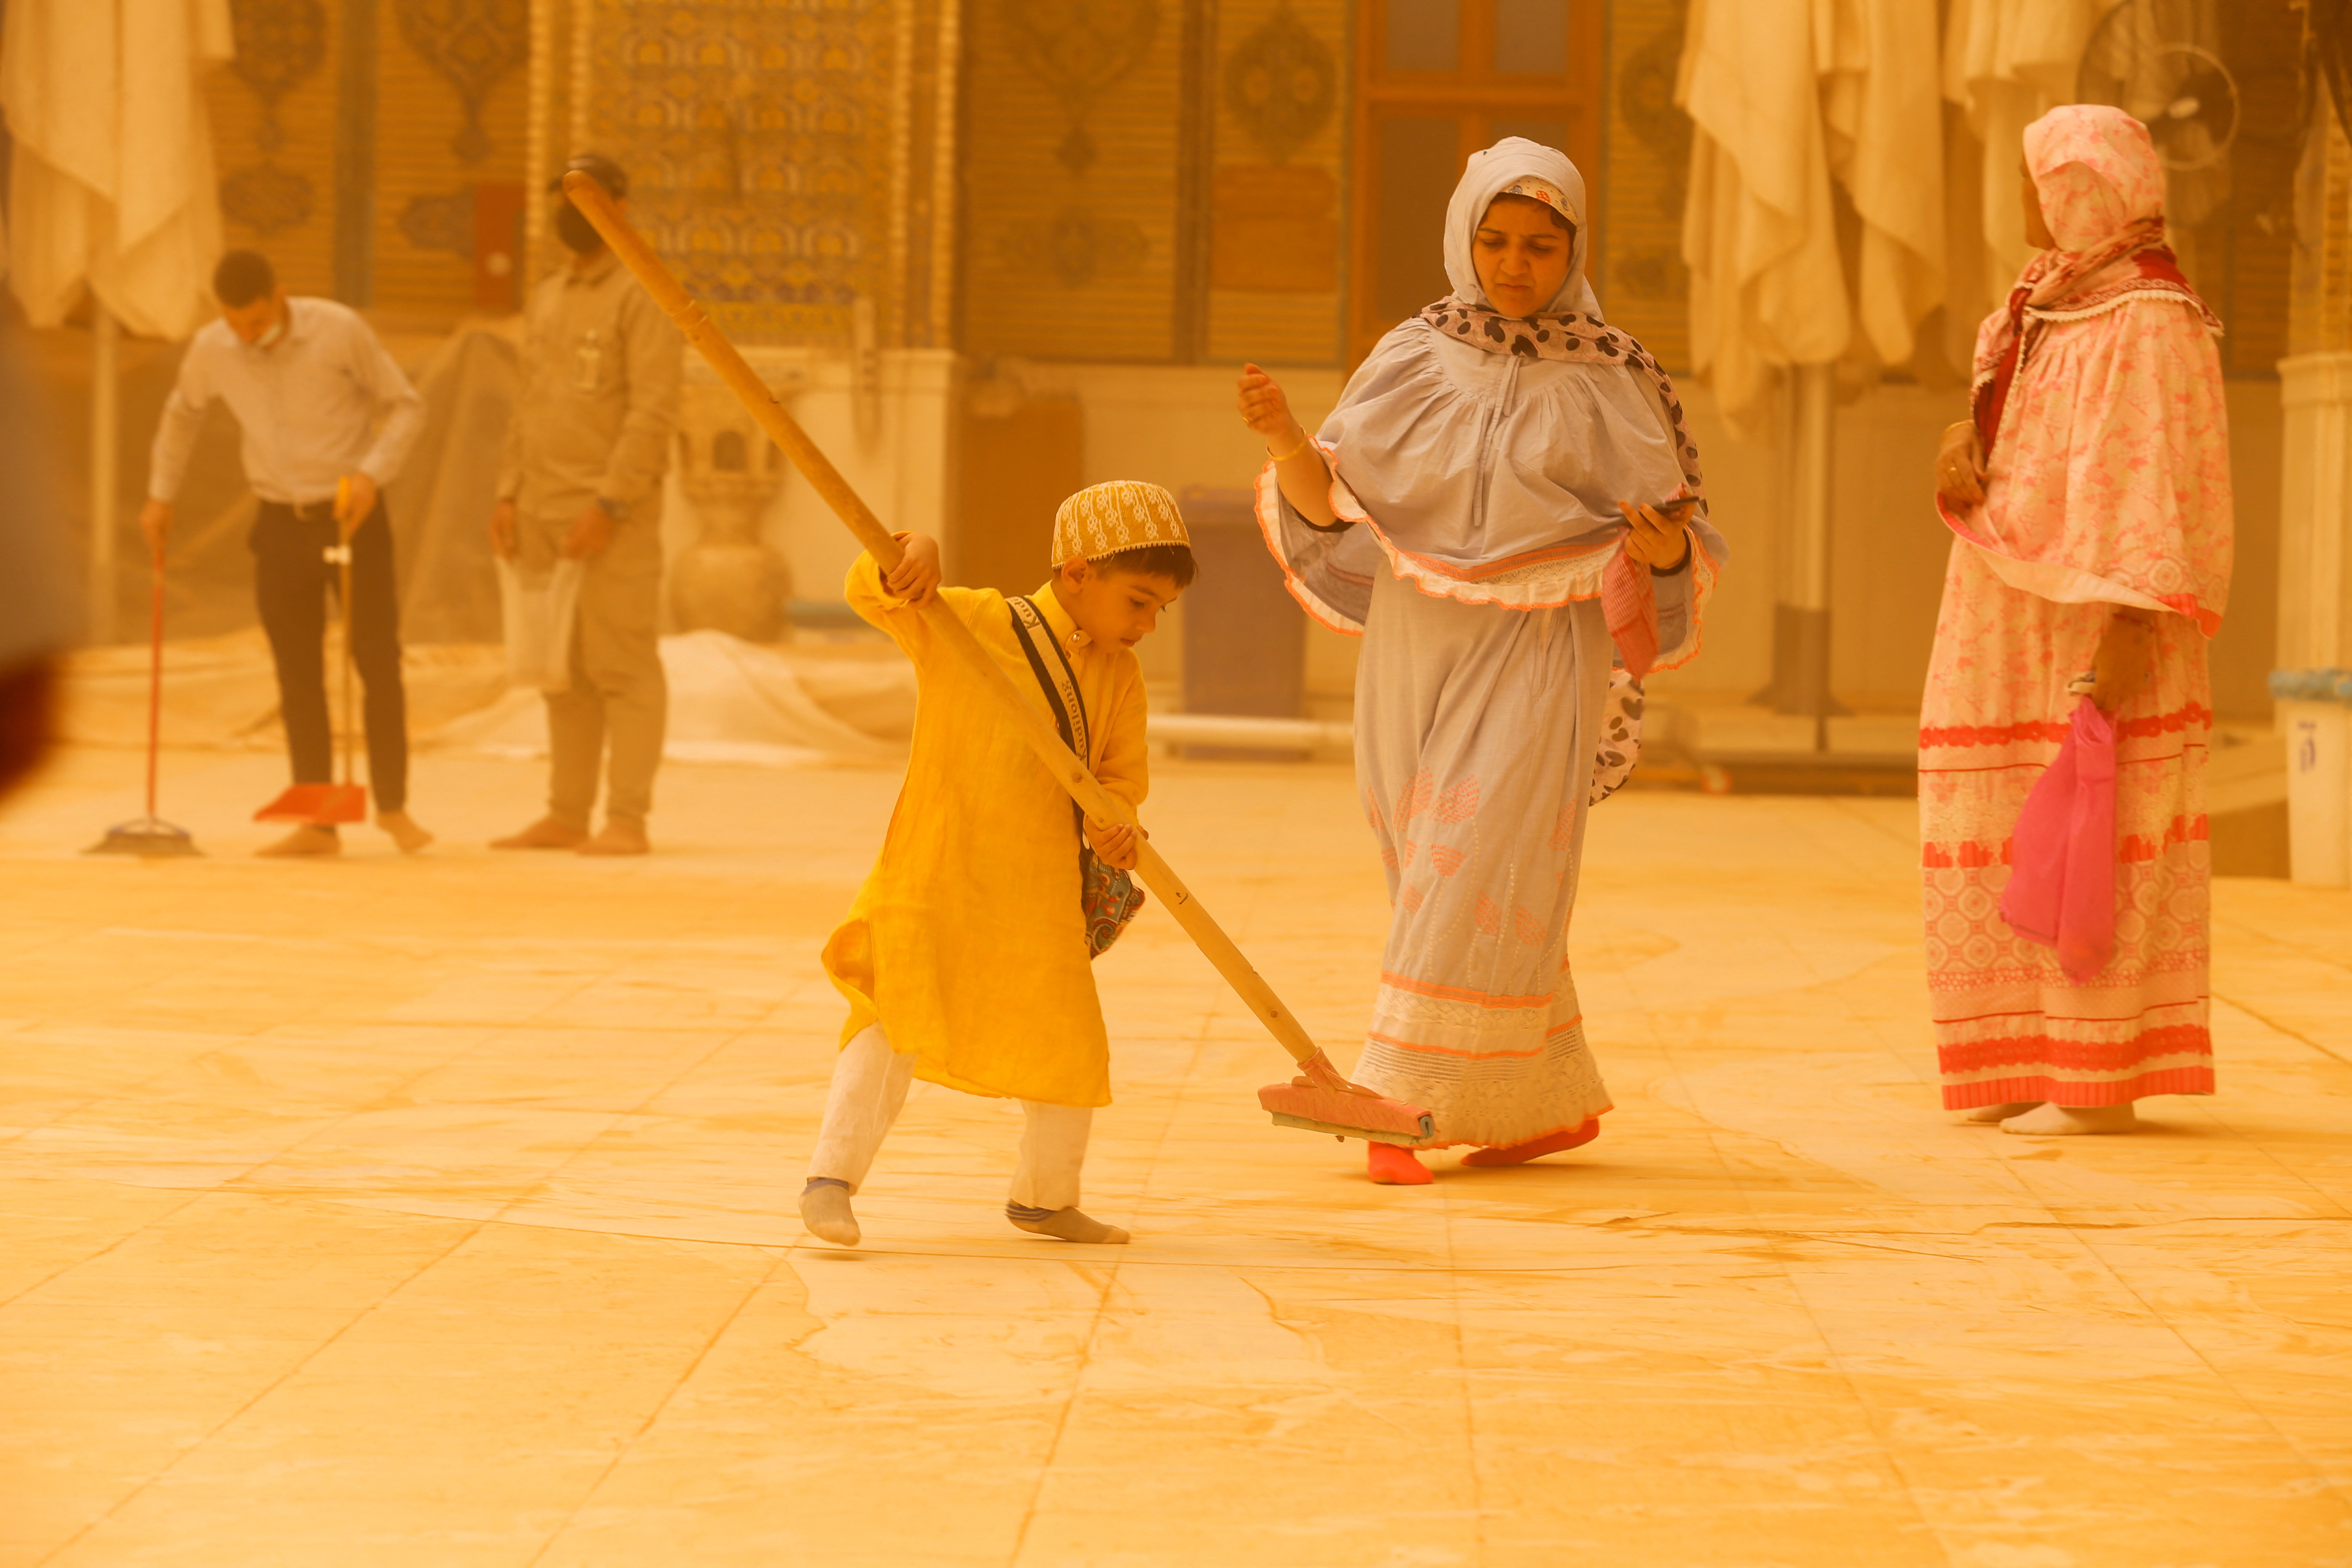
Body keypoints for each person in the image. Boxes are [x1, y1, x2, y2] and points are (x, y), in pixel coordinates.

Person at [1235, 138, 1726, 1185]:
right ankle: (1531, 1098)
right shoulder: (1411, 355)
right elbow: (1333, 502)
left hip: (1544, 638)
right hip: (1419, 634)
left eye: (1541, 246)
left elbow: (1681, 535)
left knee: (1476, 853)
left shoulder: (1618, 371)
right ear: (1464, 236)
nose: (1515, 264)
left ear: (1574, 248)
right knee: (1430, 858)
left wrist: (1663, 550)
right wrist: (1285, 438)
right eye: (1496, 240)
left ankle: (1399, 1097)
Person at [1925, 105, 2231, 1136]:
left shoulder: (2149, 313)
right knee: (2013, 821)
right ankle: (2022, 1054)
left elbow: (2154, 482)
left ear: (2082, 185)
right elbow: (2016, 431)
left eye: (2036, 177)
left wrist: (2129, 625)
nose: (2023, 199)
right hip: (2009, 604)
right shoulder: (2045, 300)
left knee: (2100, 823)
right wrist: (1956, 446)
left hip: (2097, 618)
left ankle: (2094, 1078)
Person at [799, 481, 1195, 1248]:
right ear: (1077, 573)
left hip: (1036, 894)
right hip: (933, 873)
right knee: (890, 1024)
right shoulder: (971, 621)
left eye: (1159, 612)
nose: (1147, 625)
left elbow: (1119, 783)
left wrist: (1115, 826)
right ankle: (830, 1181)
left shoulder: (1121, 676)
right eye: (1139, 602)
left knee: (1066, 1043)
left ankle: (1045, 1200)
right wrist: (909, 554)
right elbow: (873, 592)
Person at [142, 250, 431, 858]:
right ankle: (318, 817)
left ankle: (395, 806)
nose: (248, 336)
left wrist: (374, 475)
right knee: (296, 673)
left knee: (376, 661)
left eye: (256, 322)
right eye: (235, 324)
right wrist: (160, 497)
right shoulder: (213, 349)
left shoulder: (338, 330)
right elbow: (182, 416)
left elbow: (407, 404)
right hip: (278, 521)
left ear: (280, 296)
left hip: (352, 514)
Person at [489, 153, 683, 857]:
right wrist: (508, 491)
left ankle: (626, 818)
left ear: (619, 207)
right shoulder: (549, 295)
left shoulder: (645, 294)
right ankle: (567, 814)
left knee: (622, 666)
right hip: (539, 511)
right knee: (559, 670)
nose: (567, 216)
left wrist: (611, 503)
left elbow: (652, 414)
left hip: (610, 520)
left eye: (585, 200)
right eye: (561, 202)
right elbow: (529, 402)